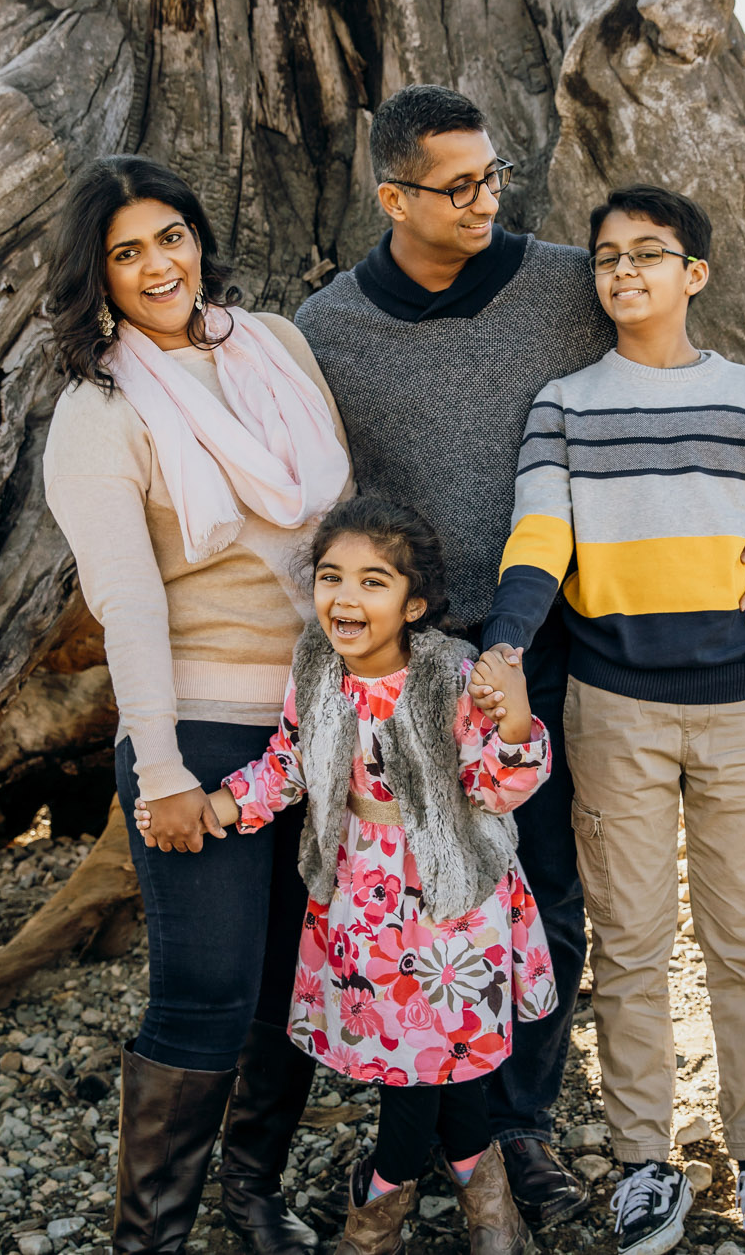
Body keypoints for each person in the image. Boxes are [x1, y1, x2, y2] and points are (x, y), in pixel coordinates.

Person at [294, 84, 745, 1228]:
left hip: (554, 642)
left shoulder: (568, 282)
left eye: (492, 177)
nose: (483, 201)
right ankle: (421, 1129)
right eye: (456, 186)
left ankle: (518, 1129)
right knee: (413, 897)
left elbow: (682, 373)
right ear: (391, 196)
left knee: (548, 892)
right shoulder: (327, 329)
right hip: (413, 663)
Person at [477, 185, 745, 1255]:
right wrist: (504, 638)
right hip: (613, 710)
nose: (623, 271)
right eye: (605, 257)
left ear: (696, 272)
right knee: (631, 948)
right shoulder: (564, 404)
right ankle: (645, 1164)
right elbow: (538, 540)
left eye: (648, 253)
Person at [40, 155, 353, 1255]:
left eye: (168, 236)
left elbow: (340, 527)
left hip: (322, 722)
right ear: (98, 277)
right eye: (125, 253)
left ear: (197, 238)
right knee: (204, 993)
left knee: (296, 983)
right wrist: (160, 765)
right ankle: (149, 1240)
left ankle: (253, 1198)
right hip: (204, 732)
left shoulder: (274, 346)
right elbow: (125, 600)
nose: (156, 264)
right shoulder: (99, 409)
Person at [146, 495, 550, 1255]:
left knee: (433, 1064)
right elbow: (290, 763)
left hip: (448, 904)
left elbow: (498, 786)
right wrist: (220, 806)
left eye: (373, 581)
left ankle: (377, 1216)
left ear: (414, 603)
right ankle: (489, 1211)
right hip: (364, 902)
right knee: (426, 1063)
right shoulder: (318, 668)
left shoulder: (452, 676)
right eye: (332, 577)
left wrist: (518, 722)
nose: (346, 596)